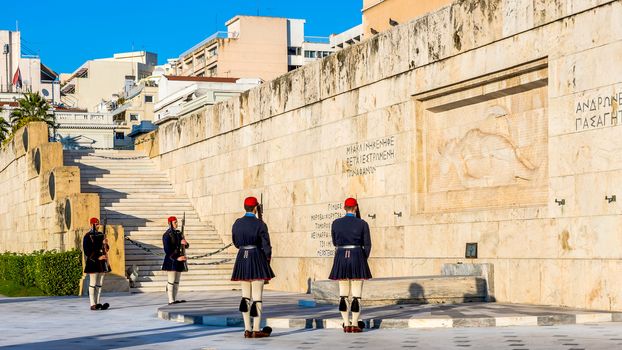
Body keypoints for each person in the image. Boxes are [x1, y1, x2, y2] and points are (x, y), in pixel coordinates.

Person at [231, 196, 275, 338]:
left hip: (242, 256)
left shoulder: (237, 223)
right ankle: (256, 329)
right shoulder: (260, 224)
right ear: (255, 208)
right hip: (256, 257)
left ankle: (247, 329)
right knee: (257, 297)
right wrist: (267, 261)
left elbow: (236, 243)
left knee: (245, 297)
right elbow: (266, 246)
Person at [329, 197, 372, 333]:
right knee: (356, 294)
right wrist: (362, 258)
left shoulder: (336, 223)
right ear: (356, 208)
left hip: (341, 255)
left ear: (344, 208)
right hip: (357, 254)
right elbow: (368, 244)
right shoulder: (362, 223)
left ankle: (346, 324)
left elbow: (335, 242)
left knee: (343, 294)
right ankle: (354, 324)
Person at [83, 217, 111, 311]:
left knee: (100, 283)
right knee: (93, 283)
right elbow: (87, 251)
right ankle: (92, 303)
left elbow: (106, 249)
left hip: (102, 262)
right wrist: (97, 257)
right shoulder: (87, 236)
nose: (98, 226)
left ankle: (98, 302)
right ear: (91, 224)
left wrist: (105, 244)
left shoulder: (100, 235)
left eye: (98, 224)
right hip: (93, 262)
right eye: (96, 224)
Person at [162, 216, 189, 305]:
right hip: (172, 260)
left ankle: (174, 298)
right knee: (171, 280)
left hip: (179, 260)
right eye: (175, 222)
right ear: (170, 223)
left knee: (177, 281)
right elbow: (167, 250)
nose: (177, 224)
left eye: (177, 222)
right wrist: (177, 257)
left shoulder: (179, 233)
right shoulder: (167, 234)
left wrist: (186, 243)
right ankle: (171, 300)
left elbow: (185, 245)